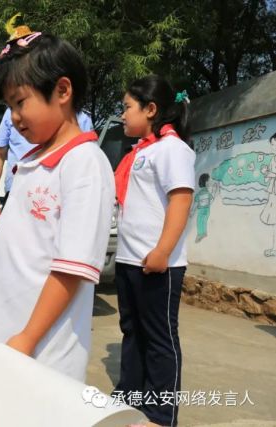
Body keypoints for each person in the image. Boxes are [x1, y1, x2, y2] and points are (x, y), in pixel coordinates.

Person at [0, 31, 116, 385]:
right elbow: (24, 252)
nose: (14, 117)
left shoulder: (84, 166)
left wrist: (27, 339)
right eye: (9, 106)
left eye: (20, 102)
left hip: (38, 353)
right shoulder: (34, 160)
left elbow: (71, 271)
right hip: (5, 338)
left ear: (63, 91)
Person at [112, 75, 195, 427]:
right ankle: (130, 397)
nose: (122, 115)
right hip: (130, 259)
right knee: (132, 331)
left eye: (127, 108)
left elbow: (181, 198)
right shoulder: (141, 151)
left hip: (157, 264)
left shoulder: (172, 149)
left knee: (160, 338)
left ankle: (161, 416)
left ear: (151, 109)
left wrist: (163, 251)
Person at [0, 107, 94, 233]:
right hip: (16, 195)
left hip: (57, 200)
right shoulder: (13, 111)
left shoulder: (81, 118)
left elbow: (87, 164)